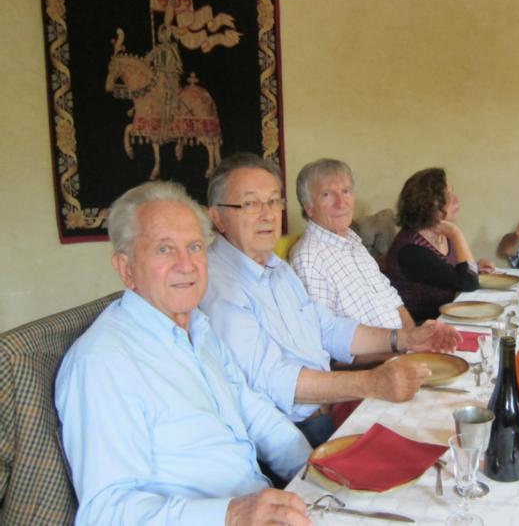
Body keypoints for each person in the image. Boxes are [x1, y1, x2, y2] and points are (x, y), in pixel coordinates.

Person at [55, 182, 312, 525]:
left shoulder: (199, 330)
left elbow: (251, 410)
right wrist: (230, 514)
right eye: (164, 249)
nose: (187, 264)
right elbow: (105, 511)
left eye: (194, 247)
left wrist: (314, 470)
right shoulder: (103, 362)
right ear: (126, 268)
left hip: (262, 506)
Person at [201, 153, 461, 447]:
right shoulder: (220, 288)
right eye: (250, 203)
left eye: (273, 201)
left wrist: (408, 339)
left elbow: (328, 328)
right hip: (298, 431)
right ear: (217, 217)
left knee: (448, 430)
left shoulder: (277, 269)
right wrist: (372, 383)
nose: (268, 214)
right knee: (434, 446)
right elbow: (274, 382)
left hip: (333, 404)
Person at [290, 158, 415, 329]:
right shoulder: (308, 258)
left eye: (346, 191)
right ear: (309, 208)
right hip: (380, 354)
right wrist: (401, 344)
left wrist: (413, 338)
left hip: (403, 347)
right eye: (327, 194)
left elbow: (393, 300)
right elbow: (326, 336)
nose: (341, 203)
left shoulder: (352, 242)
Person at [384, 167, 494, 323]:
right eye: (446, 195)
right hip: (421, 329)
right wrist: (457, 234)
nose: (456, 199)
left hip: (446, 320)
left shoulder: (441, 234)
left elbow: (450, 274)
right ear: (425, 203)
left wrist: (474, 267)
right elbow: (469, 284)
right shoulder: (411, 250)